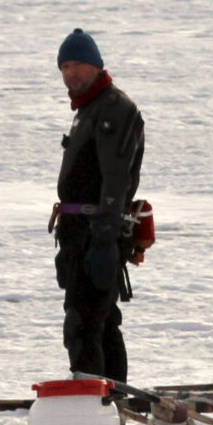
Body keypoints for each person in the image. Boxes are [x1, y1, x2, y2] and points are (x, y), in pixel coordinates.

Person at [48, 28, 144, 383]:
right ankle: (110, 403)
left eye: (78, 65)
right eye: (64, 67)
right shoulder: (89, 109)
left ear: (96, 65)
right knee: (99, 322)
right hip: (79, 233)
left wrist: (103, 240)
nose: (70, 73)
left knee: (84, 324)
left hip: (96, 232)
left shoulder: (112, 109)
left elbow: (115, 179)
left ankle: (92, 408)